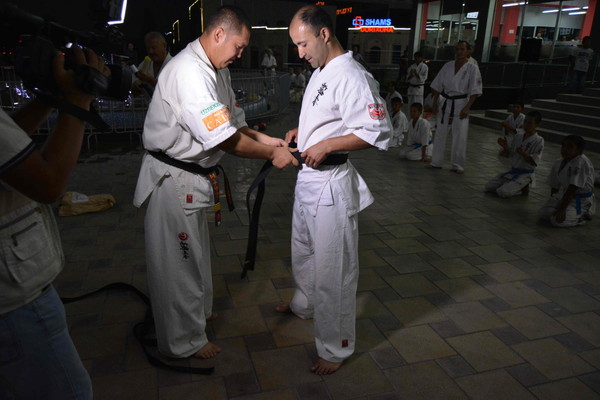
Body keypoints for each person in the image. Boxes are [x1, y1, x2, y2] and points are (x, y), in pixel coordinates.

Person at [133, 6, 298, 361]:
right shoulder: (189, 72)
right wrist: (272, 155)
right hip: (172, 180)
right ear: (219, 34)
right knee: (180, 264)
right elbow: (225, 140)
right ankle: (183, 341)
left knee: (195, 256)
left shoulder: (216, 68)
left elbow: (234, 124)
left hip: (190, 179)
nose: (240, 54)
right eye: (239, 46)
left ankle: (198, 315)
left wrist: (267, 141)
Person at [278, 5, 392, 375]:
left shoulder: (352, 75)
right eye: (296, 45)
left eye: (303, 44)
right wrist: (305, 132)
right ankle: (305, 304)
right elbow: (328, 117)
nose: (300, 53)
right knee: (303, 251)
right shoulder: (321, 70)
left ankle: (335, 346)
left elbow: (378, 131)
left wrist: (327, 145)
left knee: (333, 270)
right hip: (308, 179)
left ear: (324, 34)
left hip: (330, 183)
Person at [0, 46, 109, 400]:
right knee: (68, 391)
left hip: (13, 289)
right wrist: (78, 102)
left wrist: (51, 98)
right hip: (13, 299)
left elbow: (9, 138)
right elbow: (48, 184)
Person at [428, 40, 482, 174]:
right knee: (440, 133)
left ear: (468, 51)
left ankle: (458, 164)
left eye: (462, 49)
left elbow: (475, 91)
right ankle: (436, 162)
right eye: (457, 49)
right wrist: (435, 103)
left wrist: (467, 107)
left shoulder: (472, 68)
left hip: (461, 102)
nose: (459, 52)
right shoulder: (448, 66)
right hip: (446, 102)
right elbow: (437, 86)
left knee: (460, 135)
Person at [538, 135, 595, 227]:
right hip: (565, 196)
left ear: (579, 150)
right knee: (543, 214)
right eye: (563, 145)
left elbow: (573, 188)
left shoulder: (581, 162)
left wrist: (562, 209)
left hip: (581, 200)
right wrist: (554, 202)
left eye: (570, 147)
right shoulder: (559, 162)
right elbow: (554, 186)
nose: (564, 149)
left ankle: (583, 214)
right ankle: (572, 213)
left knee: (557, 221)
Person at [485, 111, 544, 198]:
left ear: (537, 125)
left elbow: (534, 162)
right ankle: (513, 184)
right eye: (525, 121)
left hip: (525, 174)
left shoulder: (539, 140)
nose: (526, 125)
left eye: (530, 123)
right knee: (489, 187)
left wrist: (524, 154)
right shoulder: (518, 136)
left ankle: (522, 186)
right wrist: (505, 147)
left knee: (502, 192)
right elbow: (509, 154)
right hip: (513, 172)